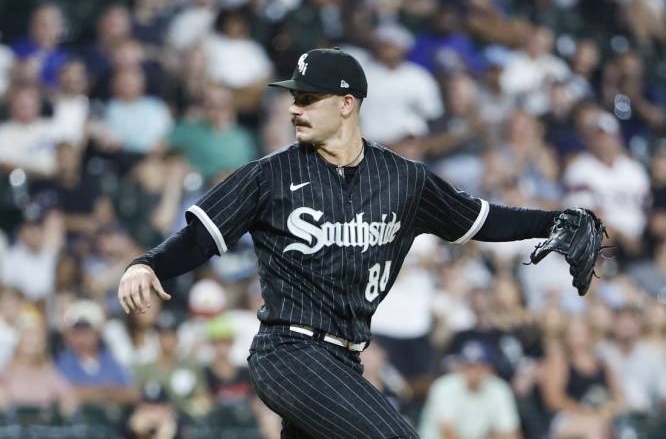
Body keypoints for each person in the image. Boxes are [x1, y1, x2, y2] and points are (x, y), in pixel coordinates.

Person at [118, 48, 600, 438]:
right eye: (294, 98)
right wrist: (148, 264)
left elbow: (480, 219)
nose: (293, 108)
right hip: (288, 351)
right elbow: (201, 236)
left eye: (307, 98)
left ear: (346, 103)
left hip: (344, 359)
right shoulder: (271, 174)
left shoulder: (403, 180)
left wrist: (554, 220)